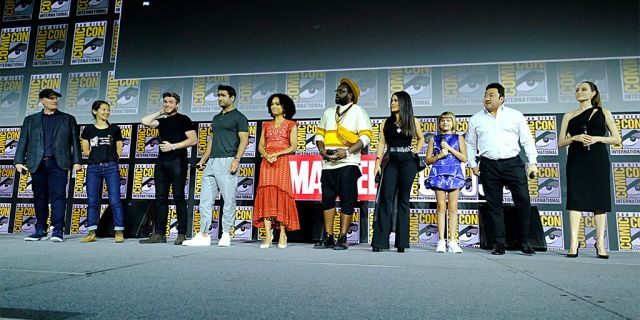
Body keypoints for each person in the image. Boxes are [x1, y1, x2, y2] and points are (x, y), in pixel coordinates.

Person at [466, 83, 538, 255]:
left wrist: (532, 162)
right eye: (485, 95)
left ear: (501, 98)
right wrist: (473, 164)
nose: (487, 98)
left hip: (513, 163)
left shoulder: (515, 115)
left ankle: (524, 242)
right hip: (489, 165)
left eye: (491, 95)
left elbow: (527, 139)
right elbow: (470, 143)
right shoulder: (476, 118)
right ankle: (499, 244)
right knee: (493, 205)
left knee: (523, 201)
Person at [558, 81, 620, 259]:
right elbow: (561, 142)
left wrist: (596, 139)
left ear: (593, 93)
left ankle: (600, 242)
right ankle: (573, 242)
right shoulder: (568, 115)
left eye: (584, 89)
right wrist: (575, 137)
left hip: (597, 160)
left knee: (599, 201)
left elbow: (616, 139)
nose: (579, 92)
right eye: (577, 90)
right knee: (575, 200)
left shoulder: (603, 113)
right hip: (577, 160)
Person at [183, 85, 249, 247]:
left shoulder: (239, 117)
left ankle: (226, 233)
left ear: (232, 98)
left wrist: (237, 159)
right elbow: (211, 141)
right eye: (218, 95)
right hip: (212, 162)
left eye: (223, 95)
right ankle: (204, 234)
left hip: (228, 161)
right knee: (205, 200)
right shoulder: (216, 117)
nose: (220, 98)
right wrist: (203, 160)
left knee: (228, 200)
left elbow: (244, 140)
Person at [15, 89, 82, 242]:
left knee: (58, 196)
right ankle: (40, 229)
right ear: (42, 101)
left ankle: (57, 230)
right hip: (37, 163)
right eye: (51, 98)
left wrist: (77, 161)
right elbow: (23, 141)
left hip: (58, 163)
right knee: (39, 197)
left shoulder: (68, 119)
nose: (54, 101)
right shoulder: (30, 120)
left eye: (56, 98)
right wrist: (18, 161)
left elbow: (75, 142)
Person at [314, 78, 372, 250]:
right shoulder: (328, 112)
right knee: (327, 201)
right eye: (337, 91)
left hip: (348, 162)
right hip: (328, 164)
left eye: (342, 91)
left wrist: (345, 152)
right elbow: (319, 136)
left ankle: (342, 237)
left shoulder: (359, 112)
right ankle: (329, 236)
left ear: (351, 95)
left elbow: (365, 137)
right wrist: (322, 151)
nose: (337, 94)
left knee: (347, 200)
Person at [139, 92, 197, 245]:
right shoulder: (162, 122)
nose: (168, 104)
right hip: (162, 162)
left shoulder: (184, 119)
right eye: (165, 102)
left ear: (177, 104)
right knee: (160, 198)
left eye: (171, 102)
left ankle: (182, 233)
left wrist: (173, 146)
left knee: (178, 197)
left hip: (178, 161)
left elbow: (193, 140)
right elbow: (144, 121)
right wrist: (160, 112)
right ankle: (159, 234)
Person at [371, 91, 424, 253]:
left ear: (403, 102)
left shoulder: (413, 121)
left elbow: (421, 138)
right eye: (391, 100)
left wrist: (417, 148)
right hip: (391, 160)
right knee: (386, 199)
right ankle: (379, 242)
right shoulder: (385, 123)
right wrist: (377, 163)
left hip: (408, 161)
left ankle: (402, 243)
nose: (392, 103)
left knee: (403, 200)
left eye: (395, 100)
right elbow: (381, 143)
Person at [252, 93, 300, 249]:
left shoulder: (291, 124)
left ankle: (283, 233)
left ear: (285, 107)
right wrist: (266, 155)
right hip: (267, 162)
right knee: (266, 194)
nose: (274, 106)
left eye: (278, 104)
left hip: (282, 161)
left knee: (281, 194)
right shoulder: (266, 125)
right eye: (272, 104)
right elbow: (260, 146)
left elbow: (293, 147)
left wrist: (276, 154)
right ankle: (267, 234)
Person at [79, 100, 125, 243]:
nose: (106, 112)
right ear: (95, 111)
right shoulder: (88, 130)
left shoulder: (115, 129)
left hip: (111, 167)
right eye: (103, 109)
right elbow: (86, 150)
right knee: (92, 200)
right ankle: (91, 232)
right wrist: (95, 157)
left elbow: (119, 148)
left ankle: (119, 232)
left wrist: (113, 158)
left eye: (108, 110)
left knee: (115, 199)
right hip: (93, 168)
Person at [425, 111, 467, 253]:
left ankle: (453, 241)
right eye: (442, 120)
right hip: (438, 173)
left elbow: (464, 158)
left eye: (448, 120)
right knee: (441, 207)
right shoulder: (433, 139)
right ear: (439, 123)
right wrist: (439, 155)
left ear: (453, 122)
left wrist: (449, 149)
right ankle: (441, 240)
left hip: (454, 173)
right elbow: (427, 160)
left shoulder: (458, 138)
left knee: (453, 208)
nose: (445, 123)